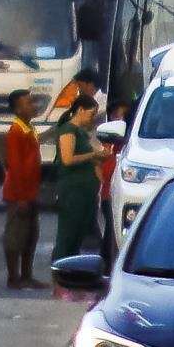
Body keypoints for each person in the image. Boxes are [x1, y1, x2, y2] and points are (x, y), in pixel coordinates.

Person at [50, 95, 105, 270]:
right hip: (73, 189)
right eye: (91, 113)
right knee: (68, 232)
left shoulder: (81, 132)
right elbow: (67, 159)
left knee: (78, 233)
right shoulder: (68, 130)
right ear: (80, 110)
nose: (92, 117)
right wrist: (92, 155)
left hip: (85, 190)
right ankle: (60, 268)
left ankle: (71, 267)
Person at [1, 89, 45, 290]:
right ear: (18, 109)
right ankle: (13, 276)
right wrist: (21, 198)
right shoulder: (16, 131)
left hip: (31, 191)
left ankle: (27, 275)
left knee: (30, 235)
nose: (33, 106)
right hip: (20, 194)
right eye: (29, 103)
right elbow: (16, 166)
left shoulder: (29, 128)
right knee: (15, 236)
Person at [98, 100, 130, 261]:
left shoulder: (131, 142)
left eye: (125, 117)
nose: (122, 120)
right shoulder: (108, 140)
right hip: (108, 192)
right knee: (111, 232)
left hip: (119, 190)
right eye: (119, 116)